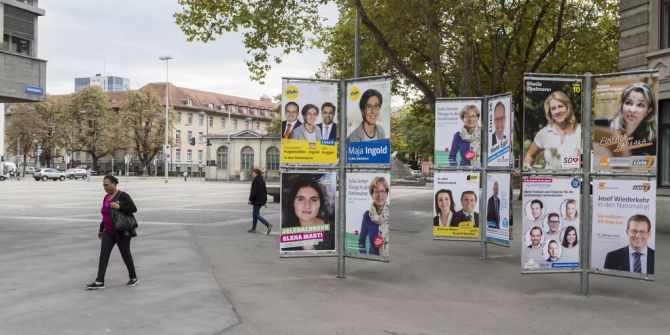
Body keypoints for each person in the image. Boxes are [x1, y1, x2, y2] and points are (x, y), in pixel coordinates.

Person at [86, 175, 138, 290]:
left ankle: (133, 277)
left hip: (121, 231)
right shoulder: (106, 197)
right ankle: (99, 281)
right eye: (103, 185)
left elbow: (133, 208)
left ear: (114, 184)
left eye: (107, 185)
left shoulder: (123, 195)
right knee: (103, 255)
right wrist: (101, 229)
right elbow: (105, 215)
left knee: (126, 255)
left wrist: (119, 206)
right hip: (108, 232)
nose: (105, 187)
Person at [523, 91, 581, 169]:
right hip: (550, 180)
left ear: (567, 107)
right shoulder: (544, 133)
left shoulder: (580, 131)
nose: (557, 111)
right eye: (553, 108)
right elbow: (530, 155)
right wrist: (527, 174)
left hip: (573, 181)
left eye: (560, 106)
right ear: (550, 113)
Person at [282, 177, 334, 250]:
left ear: (320, 203)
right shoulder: (285, 232)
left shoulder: (333, 231)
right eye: (301, 199)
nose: (307, 206)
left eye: (313, 200)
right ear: (293, 202)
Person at [609, 82, 656, 156]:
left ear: (648, 111)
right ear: (622, 106)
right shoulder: (603, 125)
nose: (632, 110)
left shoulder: (652, 140)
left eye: (640, 105)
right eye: (629, 103)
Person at [358, 176, 390, 256]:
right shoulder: (367, 216)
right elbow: (361, 242)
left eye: (382, 191)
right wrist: (364, 257)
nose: (379, 195)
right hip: (373, 262)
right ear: (372, 194)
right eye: (376, 191)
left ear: (387, 194)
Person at [248, 168, 272, 234]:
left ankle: (268, 224)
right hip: (261, 200)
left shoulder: (255, 181)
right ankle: (253, 228)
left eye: (253, 173)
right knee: (255, 214)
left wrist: (250, 200)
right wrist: (264, 201)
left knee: (256, 214)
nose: (252, 174)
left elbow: (253, 192)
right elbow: (265, 191)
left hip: (256, 200)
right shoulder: (262, 180)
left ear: (256, 173)